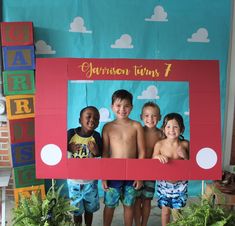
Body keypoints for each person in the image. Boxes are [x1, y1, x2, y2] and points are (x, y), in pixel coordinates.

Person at [102, 89, 145, 226]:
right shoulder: (108, 127)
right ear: (112, 107)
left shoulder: (136, 126)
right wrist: (104, 176)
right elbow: (105, 153)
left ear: (131, 107)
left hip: (132, 173)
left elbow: (142, 152)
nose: (122, 109)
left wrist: (139, 175)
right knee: (109, 204)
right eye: (118, 106)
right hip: (113, 173)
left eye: (126, 106)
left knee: (129, 205)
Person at [67, 106, 102, 226]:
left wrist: (96, 150)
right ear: (80, 120)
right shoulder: (71, 133)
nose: (92, 120)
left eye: (96, 118)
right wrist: (69, 147)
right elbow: (59, 150)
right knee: (76, 212)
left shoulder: (96, 136)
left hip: (90, 182)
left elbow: (101, 153)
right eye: (88, 117)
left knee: (89, 210)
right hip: (74, 181)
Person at [152, 112, 189, 226]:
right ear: (163, 129)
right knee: (165, 211)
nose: (171, 130)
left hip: (180, 183)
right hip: (164, 183)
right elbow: (152, 160)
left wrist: (185, 156)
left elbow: (192, 165)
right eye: (168, 126)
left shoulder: (185, 144)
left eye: (175, 127)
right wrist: (158, 156)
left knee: (177, 212)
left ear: (181, 129)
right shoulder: (160, 144)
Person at [134, 102, 163, 226]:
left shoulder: (162, 134)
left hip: (151, 172)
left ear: (160, 117)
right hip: (137, 171)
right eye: (147, 115)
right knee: (136, 200)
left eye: (154, 116)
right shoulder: (137, 131)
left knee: (146, 201)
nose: (150, 119)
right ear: (141, 117)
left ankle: (144, 224)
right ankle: (137, 224)